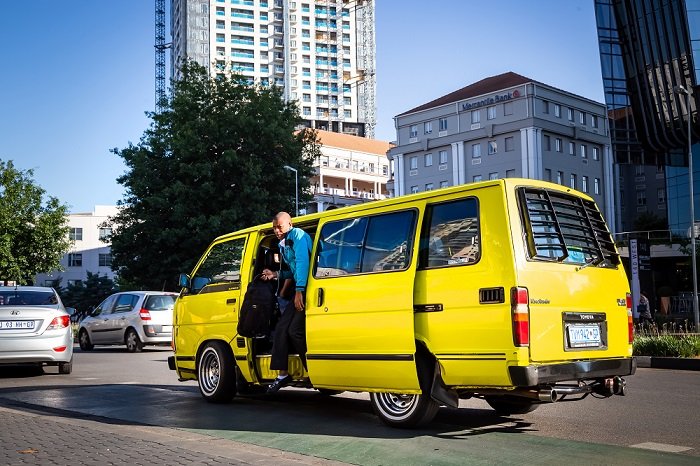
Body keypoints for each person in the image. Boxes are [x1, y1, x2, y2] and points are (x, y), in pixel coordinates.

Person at [261, 211, 312, 393]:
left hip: (308, 289)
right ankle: (283, 374)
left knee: (295, 331)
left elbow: (302, 263)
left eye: (279, 226)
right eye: (274, 227)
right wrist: (274, 274)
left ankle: (312, 370)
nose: (276, 230)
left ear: (290, 224)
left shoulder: (297, 235)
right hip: (301, 287)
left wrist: (299, 291)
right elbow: (291, 271)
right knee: (282, 328)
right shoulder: (283, 244)